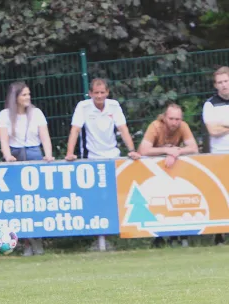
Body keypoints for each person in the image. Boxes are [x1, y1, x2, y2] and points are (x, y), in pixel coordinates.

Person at [65, 78, 141, 251]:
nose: (99, 96)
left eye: (102, 93)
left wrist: (132, 150)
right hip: (92, 158)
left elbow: (123, 129)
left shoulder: (113, 106)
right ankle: (100, 238)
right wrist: (70, 153)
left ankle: (119, 235)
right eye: (96, 93)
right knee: (96, 198)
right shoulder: (83, 107)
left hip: (113, 156)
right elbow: (75, 130)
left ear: (107, 93)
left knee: (115, 196)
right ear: (90, 94)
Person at [0, 81, 54, 256]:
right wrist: (7, 157)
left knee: (37, 201)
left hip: (35, 154)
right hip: (15, 157)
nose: (27, 97)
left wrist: (48, 155)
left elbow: (45, 137)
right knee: (19, 202)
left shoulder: (36, 113)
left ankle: (38, 241)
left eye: (28, 94)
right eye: (24, 95)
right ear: (15, 97)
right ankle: (26, 243)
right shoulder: (5, 115)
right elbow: (4, 140)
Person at [139, 103, 199, 248]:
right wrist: (166, 150)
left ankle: (181, 236)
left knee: (176, 200)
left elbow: (194, 148)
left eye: (178, 119)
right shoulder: (155, 126)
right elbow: (143, 150)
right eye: (171, 118)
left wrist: (176, 152)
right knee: (157, 203)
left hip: (174, 169)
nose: (174, 122)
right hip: (154, 171)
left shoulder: (183, 126)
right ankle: (158, 238)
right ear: (164, 117)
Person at [203, 66, 229, 245]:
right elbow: (213, 130)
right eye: (220, 82)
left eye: (226, 81)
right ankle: (219, 234)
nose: (224, 85)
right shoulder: (210, 104)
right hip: (219, 156)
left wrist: (224, 126)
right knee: (221, 195)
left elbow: (219, 128)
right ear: (215, 85)